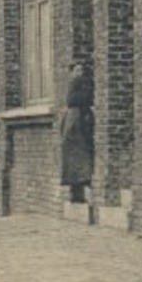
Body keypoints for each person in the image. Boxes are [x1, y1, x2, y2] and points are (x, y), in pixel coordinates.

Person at [60, 61, 95, 203]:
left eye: (81, 70)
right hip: (75, 127)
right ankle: (77, 191)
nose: (80, 74)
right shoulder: (75, 92)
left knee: (78, 159)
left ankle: (78, 191)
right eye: (77, 70)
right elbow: (73, 101)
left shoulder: (79, 87)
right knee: (77, 159)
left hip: (77, 126)